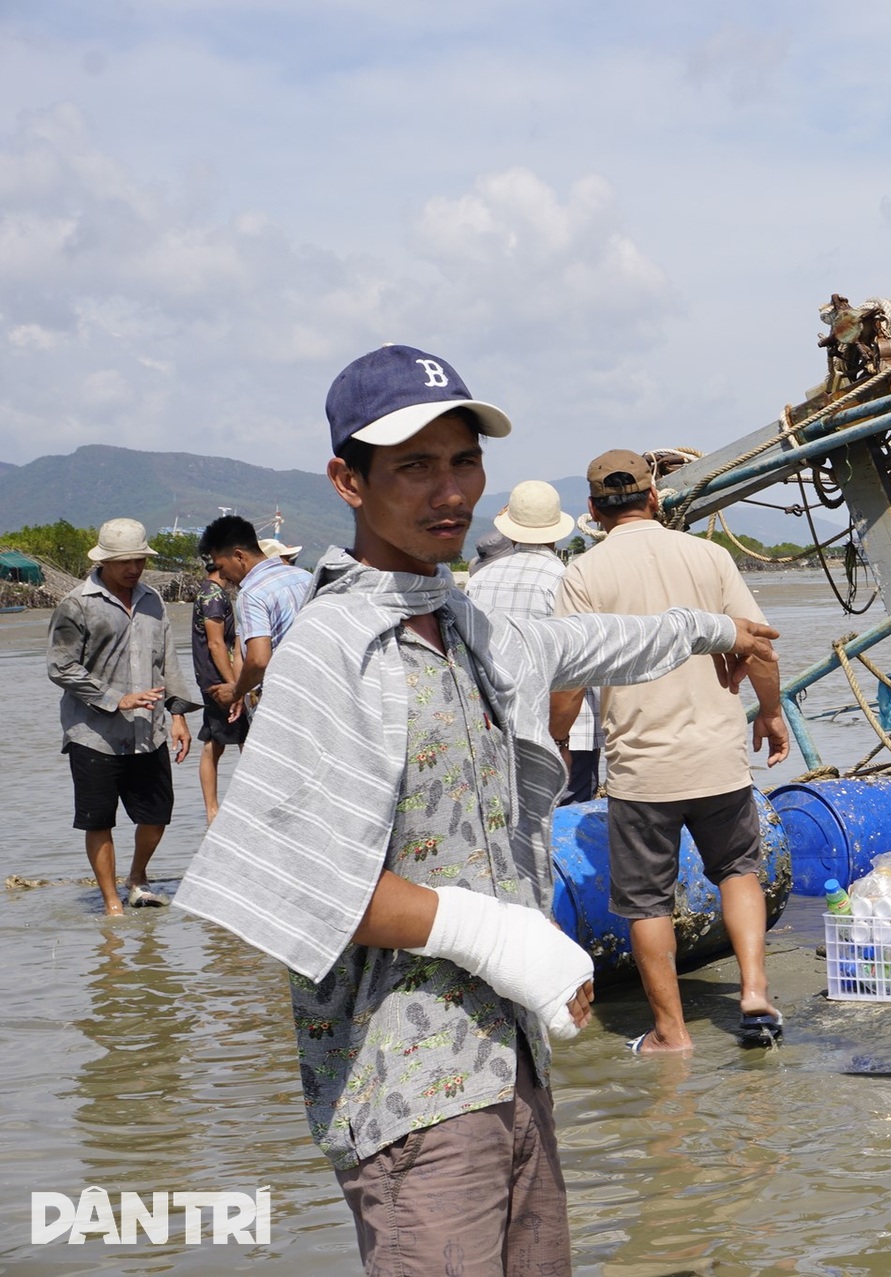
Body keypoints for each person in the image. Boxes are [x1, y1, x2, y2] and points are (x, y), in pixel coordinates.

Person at [173, 344, 777, 1275]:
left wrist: (719, 628)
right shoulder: (331, 647)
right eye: (415, 466)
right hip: (410, 1088)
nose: (450, 490)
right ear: (348, 480)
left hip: (514, 1061)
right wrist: (497, 934)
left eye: (464, 461)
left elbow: (599, 641)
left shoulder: (470, 628)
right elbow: (296, 877)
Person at [550, 449, 790, 1054]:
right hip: (718, 757)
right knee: (739, 872)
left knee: (646, 903)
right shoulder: (709, 556)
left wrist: (556, 740)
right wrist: (770, 712)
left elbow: (568, 679)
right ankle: (754, 992)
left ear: (593, 510)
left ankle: (671, 1034)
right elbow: (760, 646)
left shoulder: (583, 574)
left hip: (642, 768)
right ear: (654, 497)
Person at [46, 518, 197, 914]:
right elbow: (60, 666)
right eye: (125, 562)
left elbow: (167, 660)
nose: (134, 569)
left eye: (139, 560)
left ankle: (137, 877)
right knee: (98, 821)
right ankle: (112, 903)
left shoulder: (152, 600)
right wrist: (117, 699)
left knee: (157, 815)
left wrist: (178, 714)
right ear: (104, 561)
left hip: (150, 730)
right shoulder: (77, 604)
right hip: (93, 733)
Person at [467, 479, 604, 805]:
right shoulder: (568, 580)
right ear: (557, 531)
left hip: (500, 725)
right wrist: (560, 741)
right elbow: (578, 665)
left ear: (510, 529)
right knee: (565, 817)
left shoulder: (478, 581)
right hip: (567, 731)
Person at [199, 516, 312, 714]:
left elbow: (259, 660)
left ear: (239, 556)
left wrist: (236, 692)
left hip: (282, 704)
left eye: (221, 567)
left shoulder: (252, 593)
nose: (222, 576)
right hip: (315, 694)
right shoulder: (306, 578)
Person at [190, 557, 248, 822]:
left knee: (215, 742)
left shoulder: (208, 592)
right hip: (219, 681)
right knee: (244, 741)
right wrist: (235, 685)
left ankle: (212, 811)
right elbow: (216, 644)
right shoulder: (214, 596)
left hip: (211, 678)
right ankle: (217, 809)